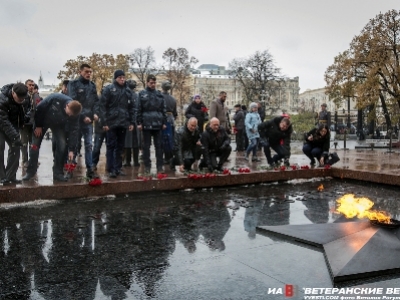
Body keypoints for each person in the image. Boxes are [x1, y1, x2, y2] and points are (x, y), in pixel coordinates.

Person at [22, 94, 82, 182]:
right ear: (67, 106)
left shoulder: (75, 114)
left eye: (71, 116)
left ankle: (58, 173)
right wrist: (38, 125)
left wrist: (72, 150)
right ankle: (30, 171)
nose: (69, 116)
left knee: (62, 145)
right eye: (68, 113)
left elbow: (74, 131)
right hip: (43, 121)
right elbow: (39, 108)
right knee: (35, 146)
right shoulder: (55, 98)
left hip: (58, 125)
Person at [99, 70, 135, 178]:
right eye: (120, 77)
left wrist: (132, 122)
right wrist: (104, 122)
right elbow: (102, 106)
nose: (122, 79)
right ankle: (111, 169)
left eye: (123, 77)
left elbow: (132, 108)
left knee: (120, 146)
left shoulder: (128, 91)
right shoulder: (109, 89)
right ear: (115, 78)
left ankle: (118, 168)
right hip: (111, 122)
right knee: (111, 146)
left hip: (123, 122)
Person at [67, 63, 99, 178]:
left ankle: (90, 168)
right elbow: (74, 101)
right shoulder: (73, 84)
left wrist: (95, 113)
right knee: (74, 144)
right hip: (77, 119)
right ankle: (70, 168)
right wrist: (83, 115)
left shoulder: (92, 85)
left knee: (89, 144)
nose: (89, 74)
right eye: (86, 72)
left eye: (90, 72)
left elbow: (96, 102)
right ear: (80, 72)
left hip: (89, 120)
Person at [136, 74, 167, 174]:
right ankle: (147, 166)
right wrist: (139, 122)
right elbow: (138, 109)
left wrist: (164, 122)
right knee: (146, 146)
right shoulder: (142, 94)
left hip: (158, 123)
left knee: (159, 146)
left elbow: (163, 109)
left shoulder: (159, 94)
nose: (153, 84)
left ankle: (159, 166)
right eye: (151, 83)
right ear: (147, 82)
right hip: (146, 123)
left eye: (154, 82)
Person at [0, 83, 28, 185]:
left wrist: (25, 120)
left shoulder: (24, 96)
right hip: (2, 124)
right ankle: (2, 177)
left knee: (16, 149)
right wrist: (15, 136)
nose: (21, 101)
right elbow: (4, 121)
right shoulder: (2, 100)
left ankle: (10, 176)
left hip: (13, 125)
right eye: (19, 99)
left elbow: (27, 110)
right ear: (13, 93)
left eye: (23, 99)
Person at [20, 79, 41, 168]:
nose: (31, 87)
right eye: (30, 85)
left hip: (33, 123)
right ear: (26, 86)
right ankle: (25, 161)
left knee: (33, 143)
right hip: (24, 124)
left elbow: (39, 109)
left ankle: (33, 160)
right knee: (24, 143)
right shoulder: (22, 96)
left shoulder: (36, 96)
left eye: (33, 85)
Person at [123, 79, 140, 167]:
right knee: (133, 141)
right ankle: (134, 161)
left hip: (131, 120)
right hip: (133, 120)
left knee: (129, 141)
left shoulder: (133, 95)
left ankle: (129, 161)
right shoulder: (135, 95)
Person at [161, 81, 177, 165]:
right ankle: (170, 156)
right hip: (171, 119)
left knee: (163, 139)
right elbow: (175, 113)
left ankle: (166, 157)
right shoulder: (173, 99)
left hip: (163, 119)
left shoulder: (160, 97)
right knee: (170, 139)